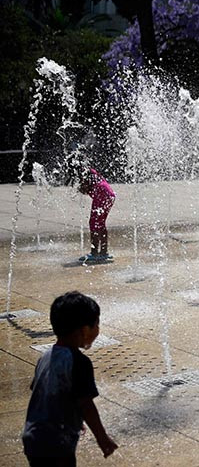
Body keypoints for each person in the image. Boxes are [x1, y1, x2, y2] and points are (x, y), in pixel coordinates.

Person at [22, 291, 117, 465]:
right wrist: (102, 438)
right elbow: (86, 404)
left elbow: (40, 391)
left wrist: (69, 412)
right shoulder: (79, 362)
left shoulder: (46, 356)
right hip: (56, 441)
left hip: (33, 437)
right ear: (84, 330)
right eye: (96, 324)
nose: (98, 329)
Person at [77, 168, 115, 263]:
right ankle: (103, 252)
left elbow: (85, 188)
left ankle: (94, 253)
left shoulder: (85, 173)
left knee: (94, 223)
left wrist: (81, 188)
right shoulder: (91, 172)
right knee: (100, 223)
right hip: (109, 194)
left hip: (101, 194)